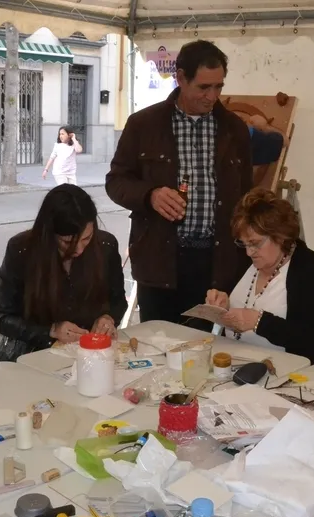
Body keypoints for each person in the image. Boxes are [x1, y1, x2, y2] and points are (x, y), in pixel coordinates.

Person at [106, 39, 253, 329]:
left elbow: (247, 196)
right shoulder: (143, 125)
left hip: (215, 263)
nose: (212, 97)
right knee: (157, 342)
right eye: (204, 87)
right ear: (181, 78)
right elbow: (116, 182)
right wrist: (149, 195)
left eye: (219, 87)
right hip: (159, 262)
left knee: (202, 346)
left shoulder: (234, 129)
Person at [0, 184, 127, 362]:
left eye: (86, 238)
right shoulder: (21, 250)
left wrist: (108, 318)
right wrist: (51, 331)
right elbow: (3, 318)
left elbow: (118, 300)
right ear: (49, 234)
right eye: (67, 242)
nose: (78, 249)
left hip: (90, 351)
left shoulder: (105, 246)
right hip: (34, 353)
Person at [205, 188, 314, 365]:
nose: (249, 252)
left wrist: (259, 322)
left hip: (292, 370)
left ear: (280, 236)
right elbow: (236, 300)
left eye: (255, 243)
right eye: (244, 244)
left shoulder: (312, 271)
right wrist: (224, 303)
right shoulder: (246, 261)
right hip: (236, 362)